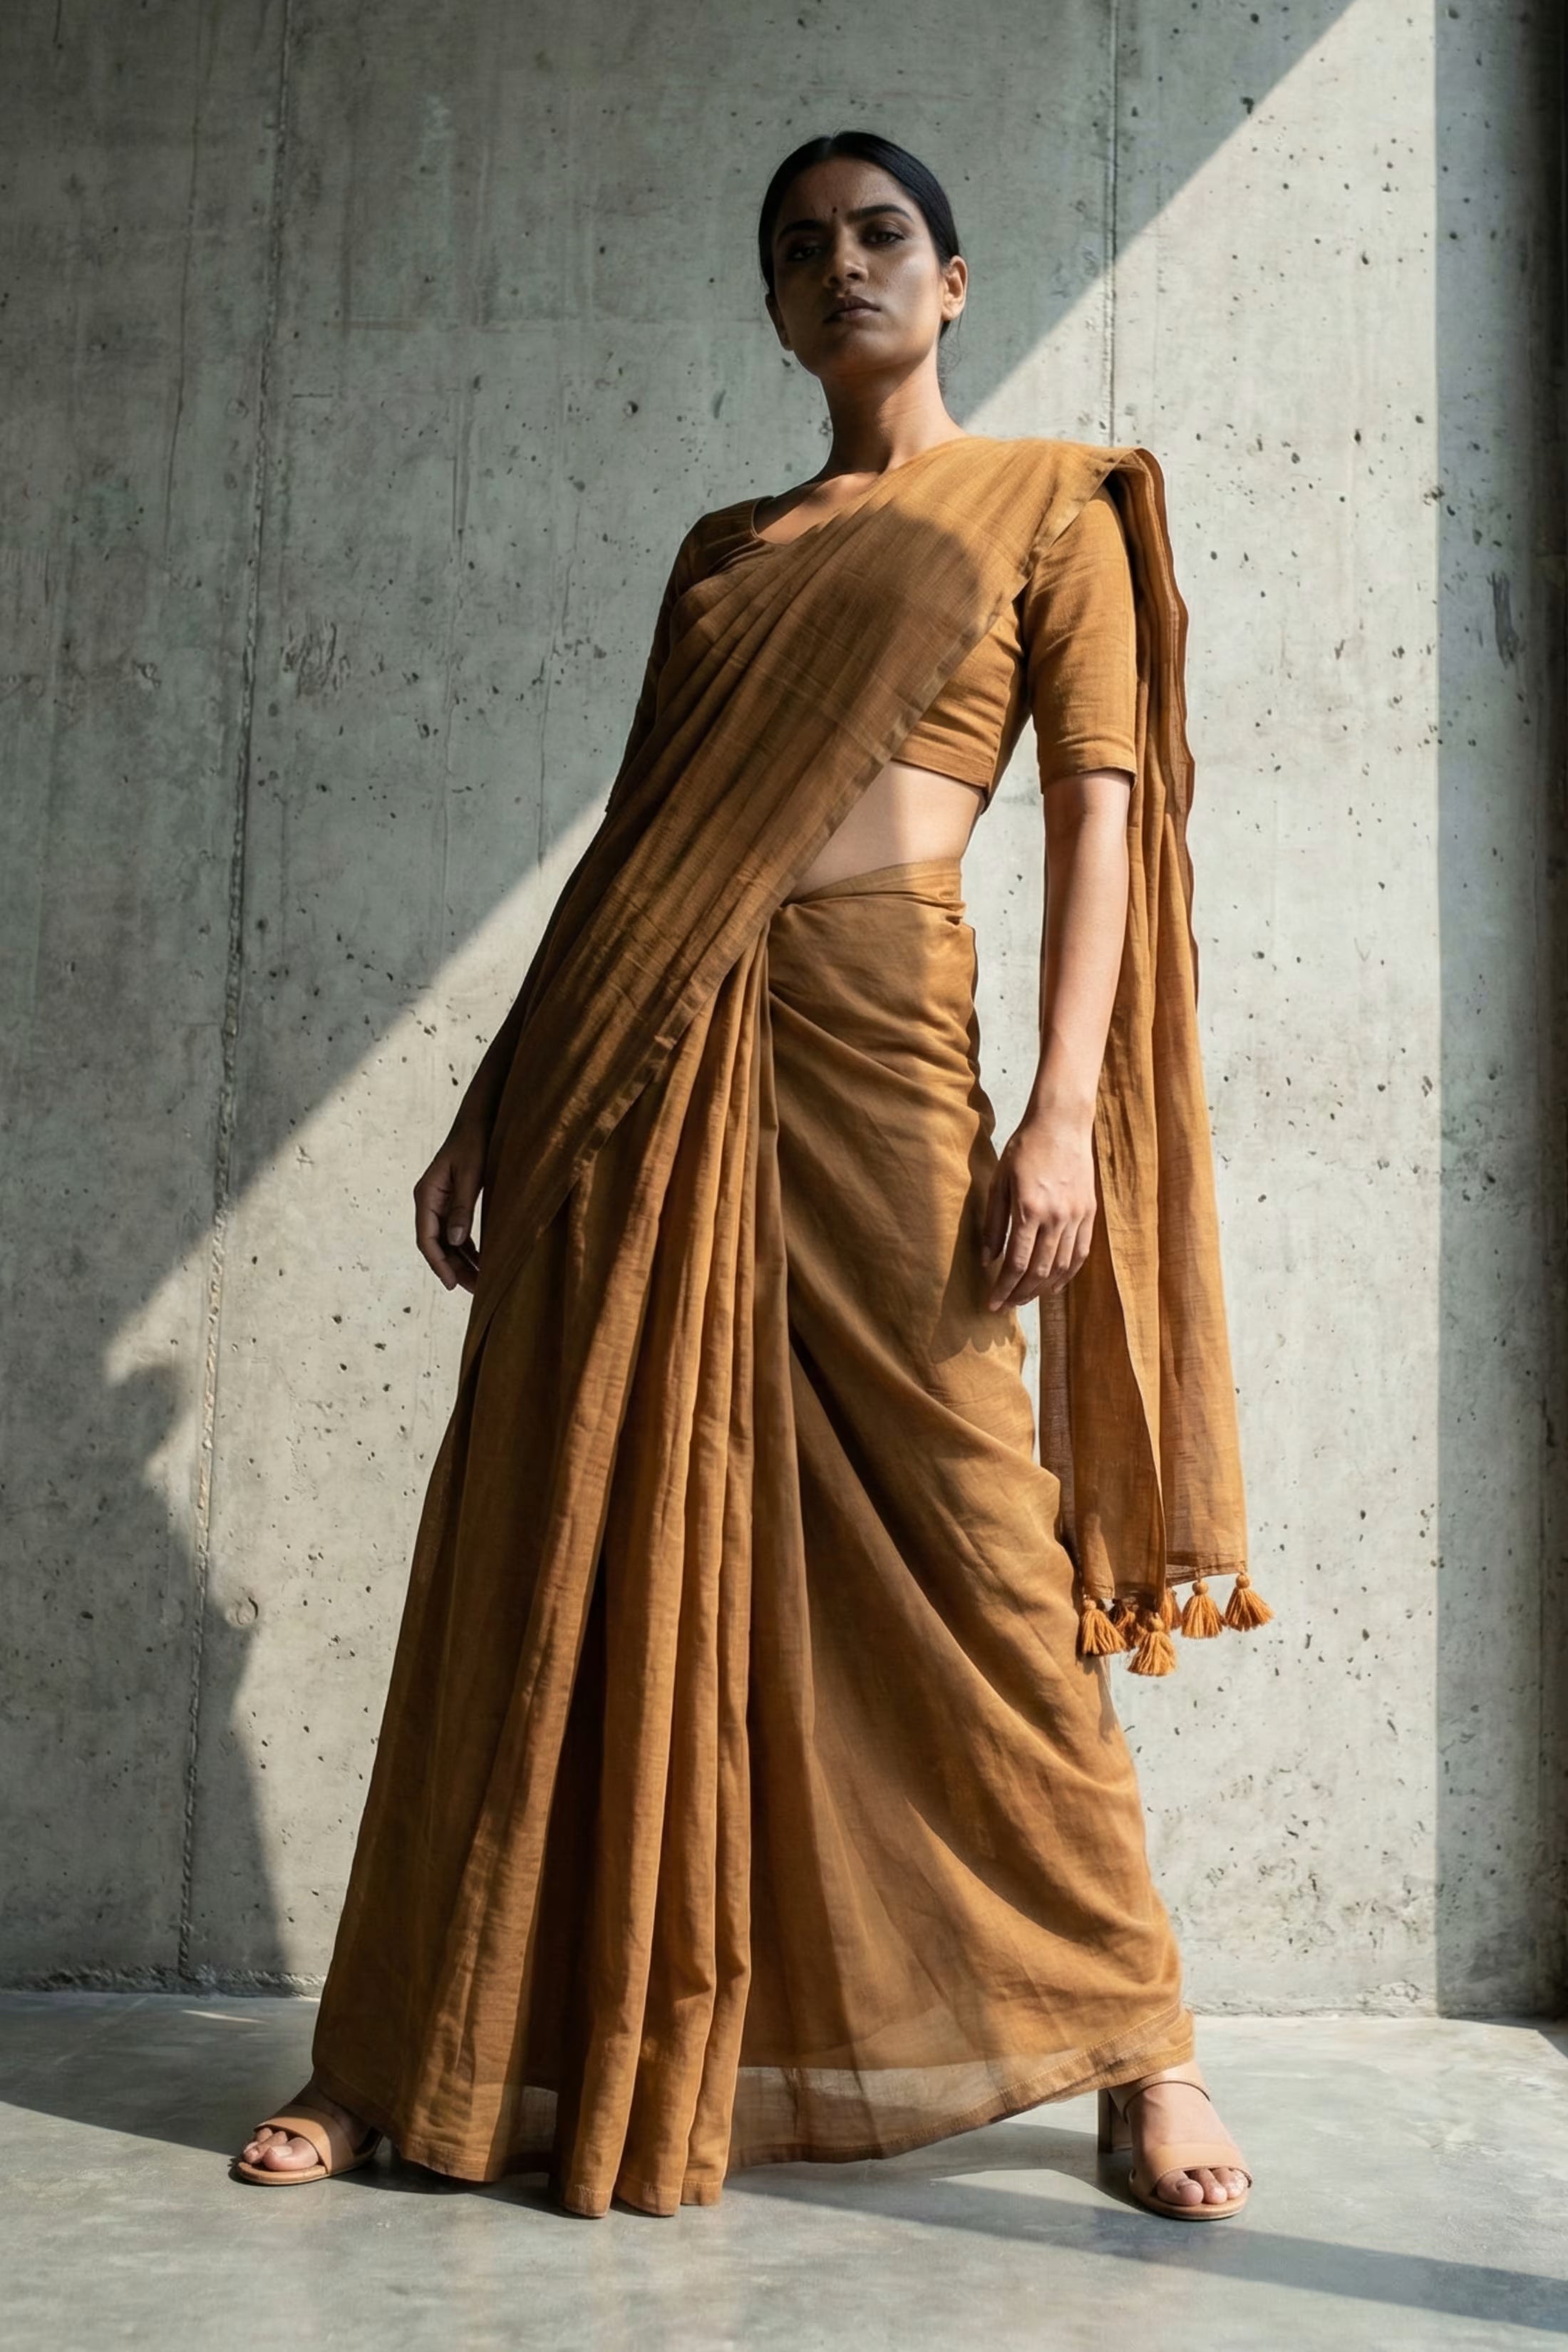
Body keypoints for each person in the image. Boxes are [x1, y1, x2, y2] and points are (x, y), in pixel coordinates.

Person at [233, 130, 1260, 2222]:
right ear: (776, 309)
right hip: (642, 1054)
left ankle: (1139, 2045)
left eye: (880, 236)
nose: (843, 267)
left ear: (953, 280)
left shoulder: (1052, 508)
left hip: (888, 1048)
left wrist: (1060, 1105)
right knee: (551, 1530)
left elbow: (1101, 822)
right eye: (802, 251)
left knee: (986, 1554)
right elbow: (635, 840)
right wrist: (493, 1095)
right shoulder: (725, 548)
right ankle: (396, 2052)